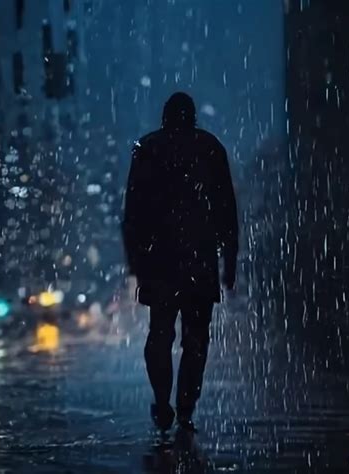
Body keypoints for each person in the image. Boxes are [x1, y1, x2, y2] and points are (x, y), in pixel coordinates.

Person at [122, 92, 238, 432]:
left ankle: (163, 400)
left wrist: (136, 261)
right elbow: (226, 210)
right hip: (199, 260)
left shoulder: (148, 149)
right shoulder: (210, 148)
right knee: (196, 339)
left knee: (160, 333)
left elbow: (133, 212)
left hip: (160, 261)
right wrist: (229, 261)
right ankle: (186, 406)